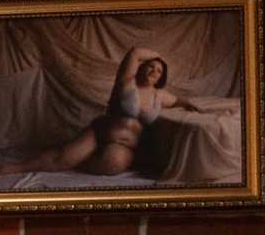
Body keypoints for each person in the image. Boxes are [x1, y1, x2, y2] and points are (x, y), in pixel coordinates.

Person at [28, 49, 182, 179]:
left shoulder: (160, 95)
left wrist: (192, 106)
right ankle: (19, 167)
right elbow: (135, 52)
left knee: (112, 163)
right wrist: (159, 56)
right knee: (62, 159)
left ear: (161, 77)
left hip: (125, 146)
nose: (154, 72)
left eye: (159, 71)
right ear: (141, 67)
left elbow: (181, 102)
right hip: (100, 133)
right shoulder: (127, 81)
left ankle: (82, 160)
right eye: (150, 66)